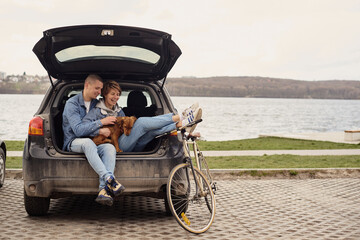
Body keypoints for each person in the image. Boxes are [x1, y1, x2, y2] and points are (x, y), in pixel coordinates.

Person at [83, 80, 202, 152]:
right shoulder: (95, 111)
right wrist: (100, 129)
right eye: (112, 94)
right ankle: (180, 117)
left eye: (118, 94)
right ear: (104, 94)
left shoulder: (119, 111)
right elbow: (82, 128)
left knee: (152, 131)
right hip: (114, 147)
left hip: (132, 146)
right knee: (141, 123)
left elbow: (129, 129)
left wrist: (187, 134)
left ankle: (181, 125)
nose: (116, 97)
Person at [62, 74, 125, 206]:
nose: (99, 92)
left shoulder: (98, 103)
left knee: (109, 148)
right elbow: (78, 130)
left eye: (101, 89)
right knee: (87, 142)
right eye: (97, 88)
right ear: (87, 85)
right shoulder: (72, 104)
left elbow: (113, 111)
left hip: (96, 142)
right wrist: (100, 125)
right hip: (74, 141)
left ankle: (103, 190)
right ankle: (109, 178)